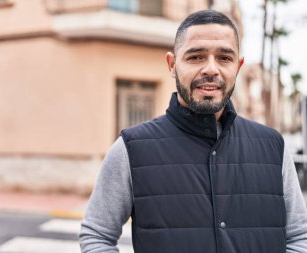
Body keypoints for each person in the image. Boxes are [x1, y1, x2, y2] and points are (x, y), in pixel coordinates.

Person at [79, 10, 307, 253]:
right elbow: (97, 236)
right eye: (196, 57)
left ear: (238, 67)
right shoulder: (131, 148)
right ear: (172, 65)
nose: (211, 69)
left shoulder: (273, 147)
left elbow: (299, 236)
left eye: (224, 58)